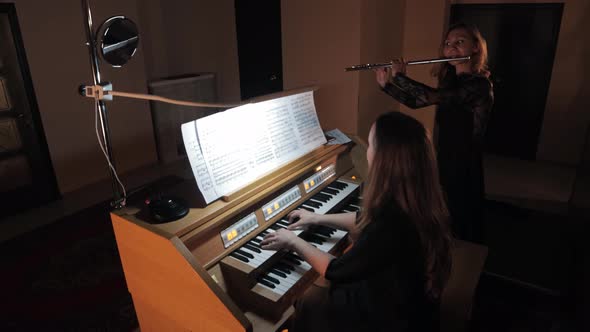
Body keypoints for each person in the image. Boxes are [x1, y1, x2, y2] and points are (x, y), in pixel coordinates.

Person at [261, 111, 453, 332]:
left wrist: (292, 241)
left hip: (394, 318)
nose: (367, 150)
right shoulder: (415, 198)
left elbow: (334, 269)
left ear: (384, 160)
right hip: (410, 297)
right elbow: (363, 219)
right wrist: (317, 217)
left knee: (308, 301)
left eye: (370, 144)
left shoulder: (391, 227)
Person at [375, 22, 494, 243]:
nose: (451, 48)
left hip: (464, 158)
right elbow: (417, 101)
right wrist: (387, 86)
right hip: (447, 153)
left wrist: (400, 76)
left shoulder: (479, 85)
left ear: (476, 48)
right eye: (447, 44)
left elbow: (430, 96)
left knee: (458, 214)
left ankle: (461, 262)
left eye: (460, 42)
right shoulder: (453, 81)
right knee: (442, 208)